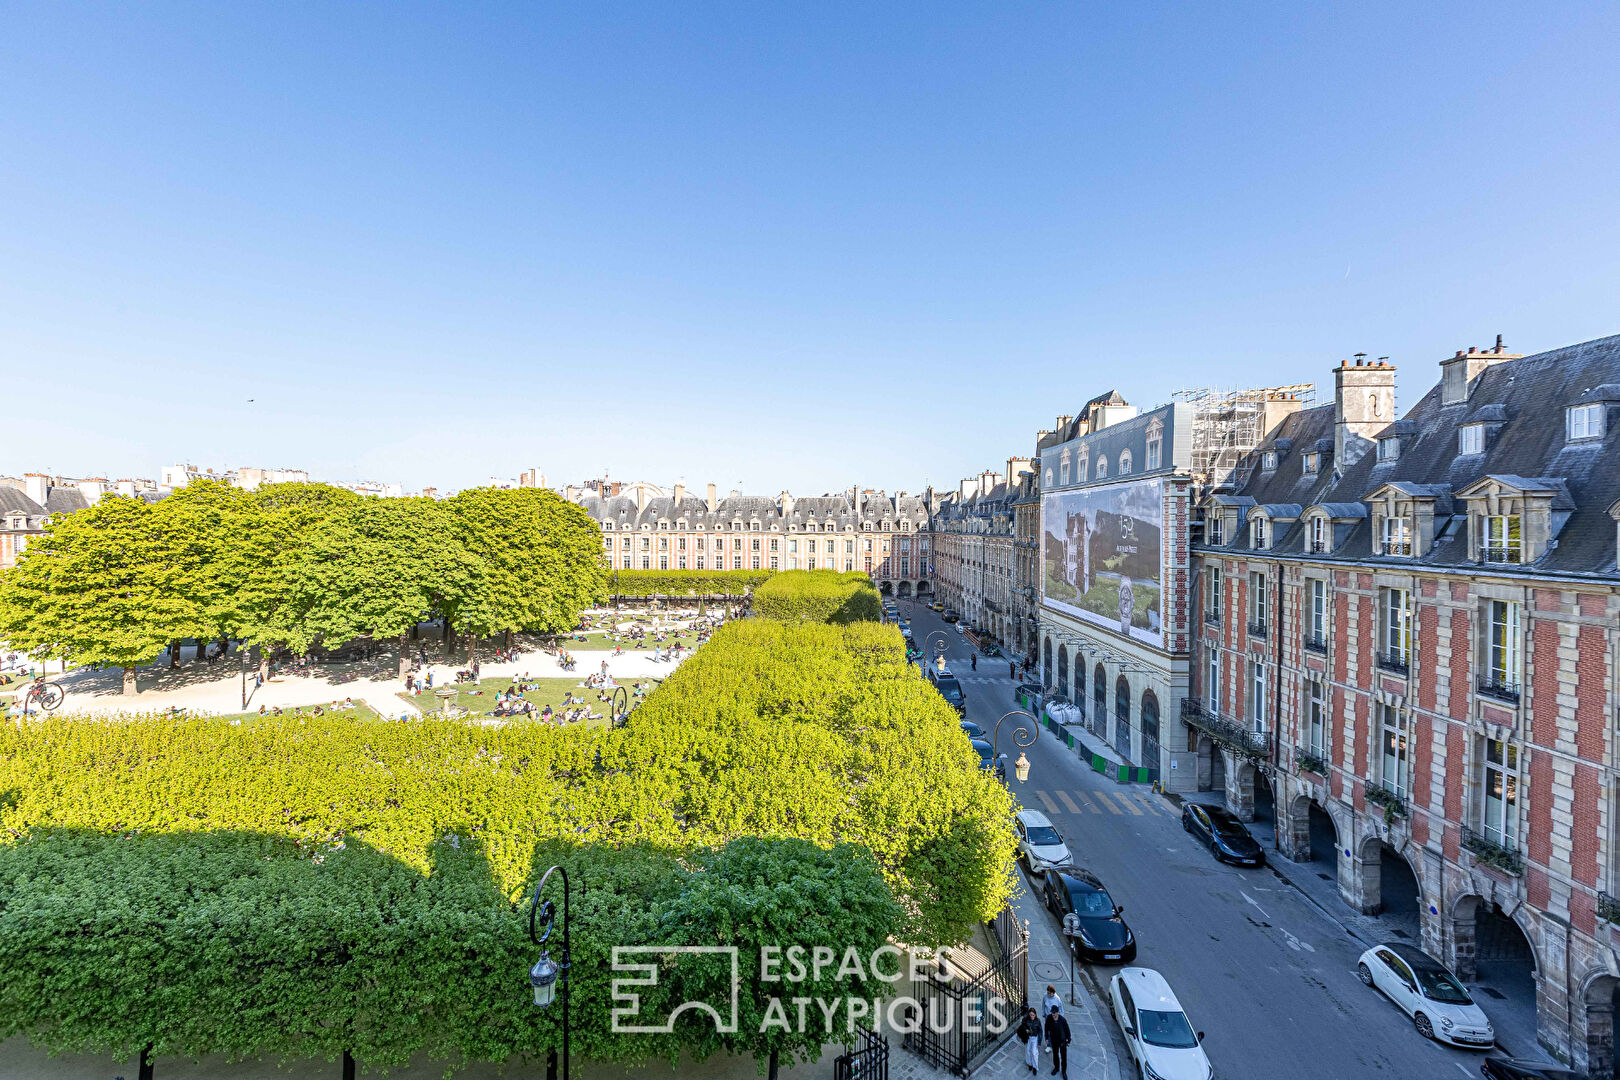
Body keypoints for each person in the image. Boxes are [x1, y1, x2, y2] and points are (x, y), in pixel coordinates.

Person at [1044, 1004, 1071, 1079]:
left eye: (1054, 1013)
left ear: (1057, 1012)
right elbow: (1046, 1027)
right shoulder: (1049, 1018)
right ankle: (1056, 1068)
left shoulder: (1062, 1020)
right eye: (1052, 1013)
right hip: (1054, 1040)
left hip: (1062, 1041)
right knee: (1055, 1055)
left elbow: (1067, 1030)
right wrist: (1046, 1037)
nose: (1053, 1014)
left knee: (1064, 1057)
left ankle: (1064, 1072)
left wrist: (1069, 1040)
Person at [1017, 1007, 1042, 1075]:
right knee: (1028, 1051)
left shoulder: (1038, 1021)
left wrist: (1039, 1041)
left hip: (1035, 1037)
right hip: (1028, 1037)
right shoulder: (1026, 1019)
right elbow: (1023, 1024)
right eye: (1031, 1015)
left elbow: (1040, 1031)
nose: (1032, 1016)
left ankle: (1035, 1066)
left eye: (1033, 1015)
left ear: (1035, 1015)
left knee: (1034, 1052)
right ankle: (1030, 1064)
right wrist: (1026, 1029)